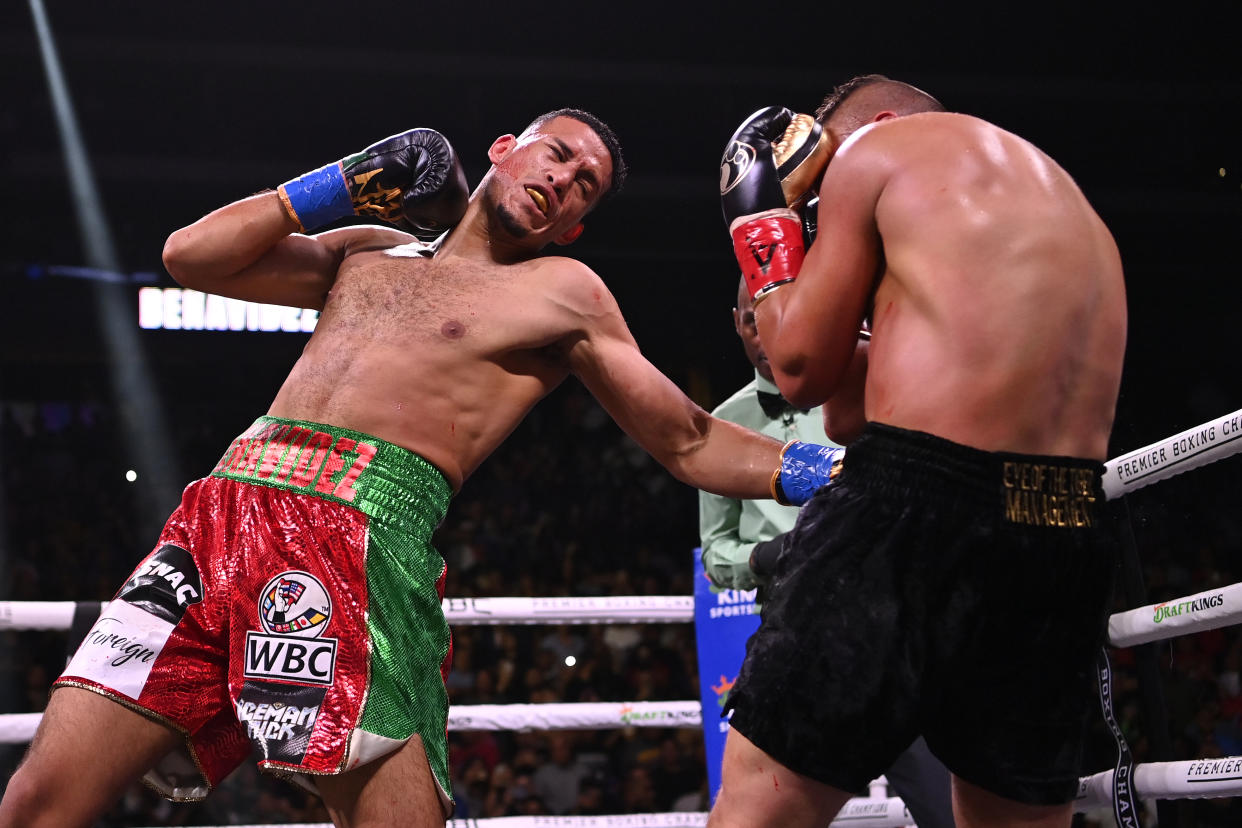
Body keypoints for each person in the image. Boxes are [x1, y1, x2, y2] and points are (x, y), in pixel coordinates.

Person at [0, 109, 840, 828]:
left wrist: (831, 473)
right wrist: (343, 181)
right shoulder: (368, 249)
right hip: (215, 519)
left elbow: (687, 439)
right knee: (38, 803)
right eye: (559, 153)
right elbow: (193, 256)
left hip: (358, 537)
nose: (566, 178)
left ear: (575, 226)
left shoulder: (562, 291)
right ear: (506, 147)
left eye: (585, 185)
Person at [710, 75, 1127, 828]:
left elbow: (799, 372)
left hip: (915, 504)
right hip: (1065, 528)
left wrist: (760, 225)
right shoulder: (1072, 209)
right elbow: (846, 412)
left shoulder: (877, 149)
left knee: (756, 814)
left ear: (878, 123)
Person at [698, 275, 955, 828]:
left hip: (894, 629)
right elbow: (715, 552)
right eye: (749, 321)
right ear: (735, 323)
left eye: (771, 319)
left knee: (947, 811)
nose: (762, 337)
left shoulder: (865, 390)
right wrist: (765, 557)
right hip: (795, 639)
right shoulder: (721, 424)